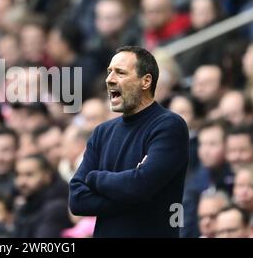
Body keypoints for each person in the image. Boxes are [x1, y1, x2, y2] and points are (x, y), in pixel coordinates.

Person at [69, 46, 189, 238]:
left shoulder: (169, 125)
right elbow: (77, 200)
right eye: (109, 72)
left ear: (146, 81)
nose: (109, 79)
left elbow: (140, 186)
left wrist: (94, 178)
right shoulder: (102, 132)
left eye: (120, 73)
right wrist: (133, 192)